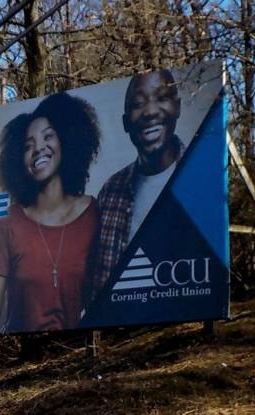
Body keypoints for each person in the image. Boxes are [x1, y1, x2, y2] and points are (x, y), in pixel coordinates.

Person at [0, 92, 101, 334]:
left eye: (48, 136)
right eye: (28, 146)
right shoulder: (10, 223)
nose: (38, 149)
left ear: (66, 141)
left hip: (79, 353)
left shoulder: (93, 213)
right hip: (19, 355)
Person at [89, 69, 183, 293]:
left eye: (161, 98)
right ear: (125, 122)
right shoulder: (111, 190)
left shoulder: (199, 178)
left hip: (176, 312)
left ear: (177, 106)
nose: (150, 112)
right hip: (116, 320)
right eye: (138, 104)